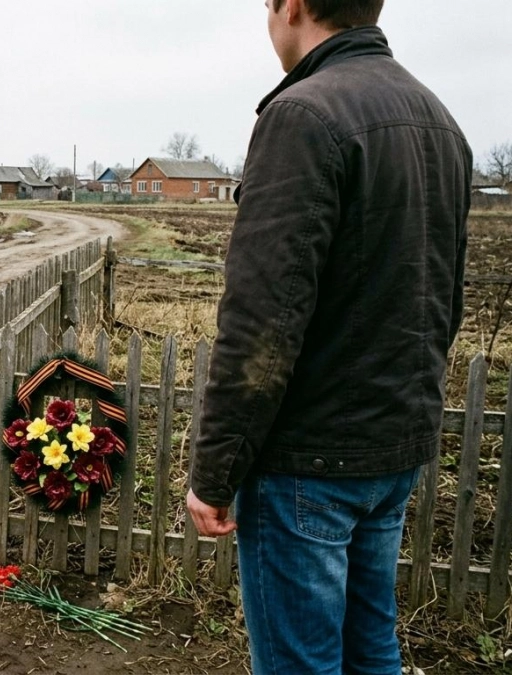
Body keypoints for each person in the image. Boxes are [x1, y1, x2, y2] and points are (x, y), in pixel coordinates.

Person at [186, 1, 471, 673]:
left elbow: (261, 321)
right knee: (371, 648)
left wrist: (214, 471)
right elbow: (443, 299)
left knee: (301, 663)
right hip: (390, 451)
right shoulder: (439, 120)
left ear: (292, 6)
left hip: (307, 463)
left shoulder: (303, 116)